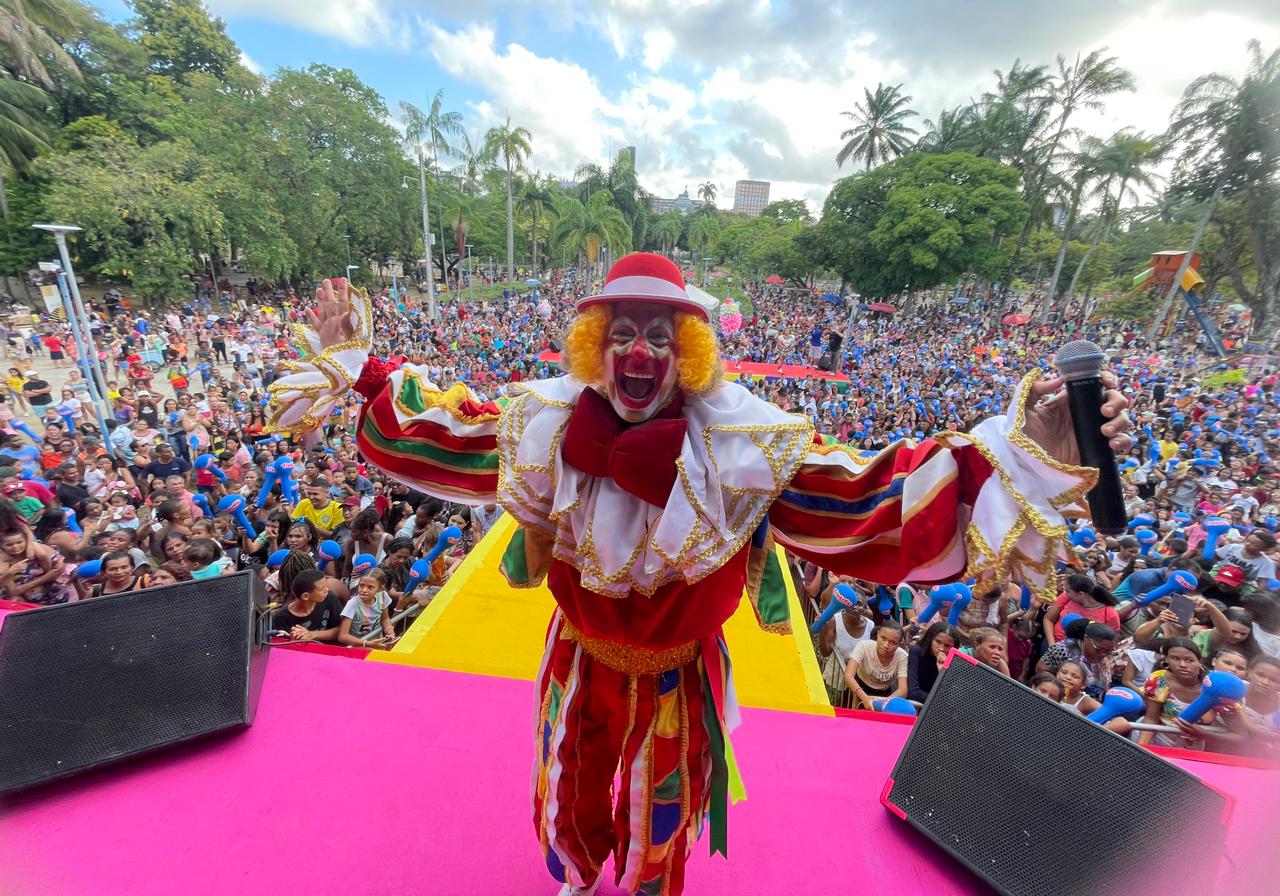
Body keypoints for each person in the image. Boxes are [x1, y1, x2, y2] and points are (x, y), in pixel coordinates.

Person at [266, 260, 1132, 896]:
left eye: (657, 333)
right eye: (621, 333)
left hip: (678, 673)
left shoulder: (745, 446)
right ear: (595, 348)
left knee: (663, 808)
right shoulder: (542, 424)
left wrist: (1024, 457)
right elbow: (444, 437)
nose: (638, 350)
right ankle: (573, 874)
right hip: (576, 652)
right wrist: (364, 373)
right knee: (564, 775)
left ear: (685, 349)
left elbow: (865, 499)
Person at [844, 620, 908, 708]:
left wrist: (884, 703)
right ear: (877, 634)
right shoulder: (864, 646)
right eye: (883, 638)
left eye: (892, 642)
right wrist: (864, 697)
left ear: (899, 644)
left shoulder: (902, 656)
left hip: (885, 695)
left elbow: (903, 689)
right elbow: (848, 676)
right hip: (858, 688)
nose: (886, 645)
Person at [270, 568, 342, 643]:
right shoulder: (281, 618)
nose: (327, 590)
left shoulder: (329, 598)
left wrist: (313, 634)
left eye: (326, 586)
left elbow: (341, 630)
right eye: (322, 589)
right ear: (305, 596)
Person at [338, 570, 396, 649]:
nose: (364, 590)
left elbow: (385, 618)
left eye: (370, 587)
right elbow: (343, 636)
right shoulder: (352, 604)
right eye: (361, 585)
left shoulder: (382, 596)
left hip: (376, 641)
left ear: (379, 589)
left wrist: (389, 630)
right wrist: (366, 643)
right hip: (357, 646)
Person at [906, 622, 956, 703]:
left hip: (938, 708)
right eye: (938, 642)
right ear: (930, 639)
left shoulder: (954, 660)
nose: (941, 648)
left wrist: (942, 671)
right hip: (917, 704)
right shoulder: (916, 651)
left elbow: (950, 695)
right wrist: (940, 702)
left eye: (947, 646)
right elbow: (913, 692)